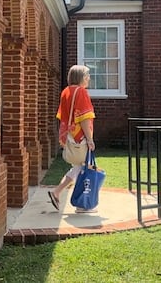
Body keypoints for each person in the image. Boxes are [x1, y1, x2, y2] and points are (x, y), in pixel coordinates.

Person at [48, 65, 96, 213]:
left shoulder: (66, 92)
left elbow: (63, 116)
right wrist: (89, 139)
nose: (89, 78)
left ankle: (57, 192)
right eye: (87, 75)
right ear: (80, 77)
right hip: (80, 136)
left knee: (79, 168)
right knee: (85, 169)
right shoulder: (81, 92)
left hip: (70, 135)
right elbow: (84, 118)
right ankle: (82, 204)